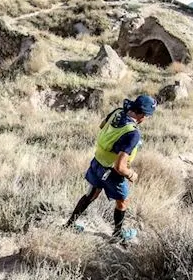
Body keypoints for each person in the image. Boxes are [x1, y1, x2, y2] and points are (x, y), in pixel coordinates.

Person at [65, 94, 156, 240]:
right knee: (123, 200)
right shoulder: (133, 133)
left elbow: (102, 125)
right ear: (142, 115)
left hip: (97, 162)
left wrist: (113, 141)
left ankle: (69, 224)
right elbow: (119, 167)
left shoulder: (117, 112)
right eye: (148, 115)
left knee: (91, 194)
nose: (147, 119)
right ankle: (118, 234)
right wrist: (131, 174)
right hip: (111, 172)